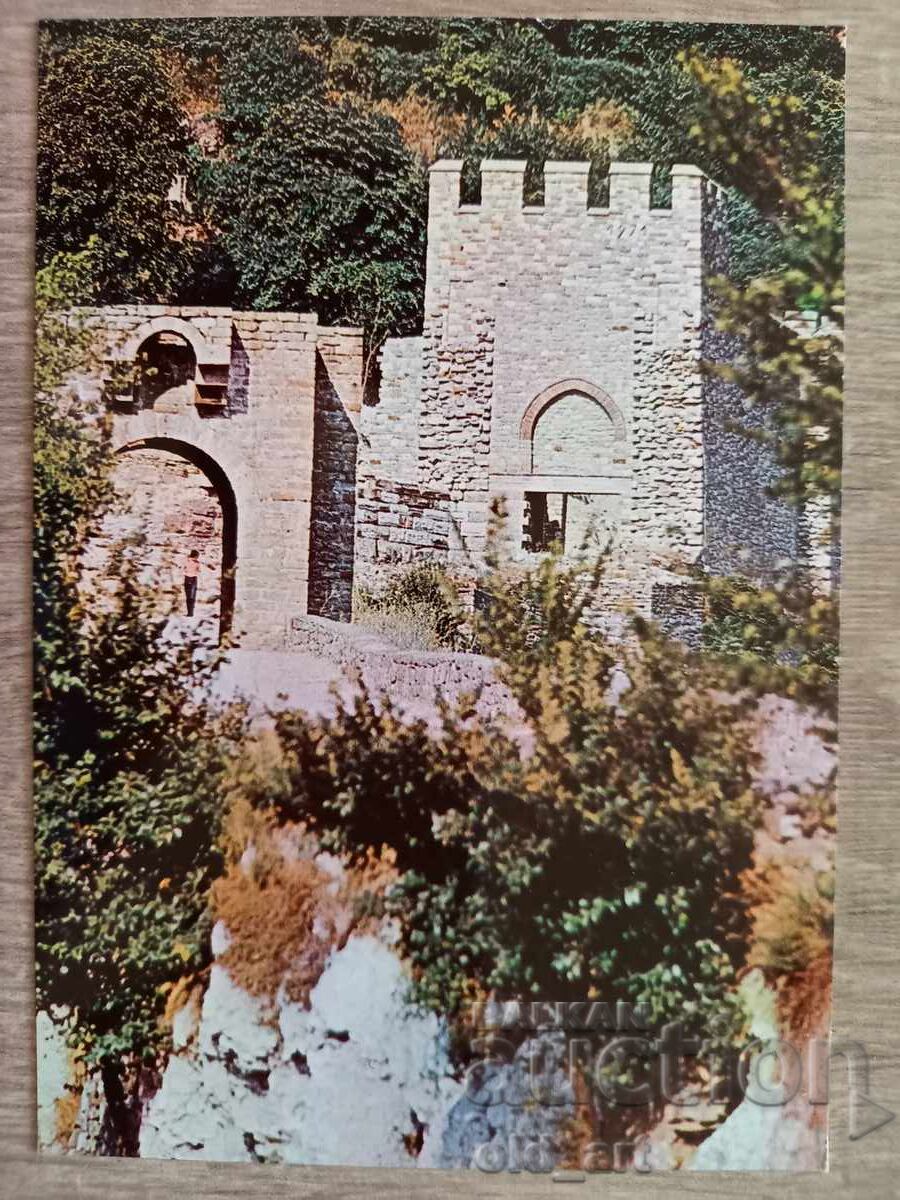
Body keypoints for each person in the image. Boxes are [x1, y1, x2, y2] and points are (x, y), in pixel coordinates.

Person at [183, 549, 200, 617]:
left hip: (187, 578)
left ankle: (189, 612)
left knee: (188, 596)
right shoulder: (197, 563)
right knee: (192, 596)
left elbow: (183, 569)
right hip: (193, 578)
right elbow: (198, 570)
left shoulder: (186, 561)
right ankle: (191, 612)